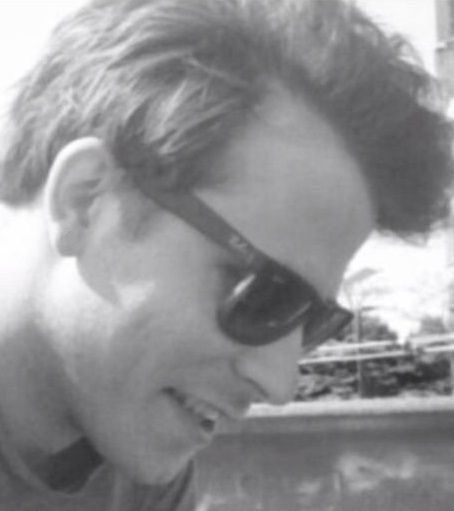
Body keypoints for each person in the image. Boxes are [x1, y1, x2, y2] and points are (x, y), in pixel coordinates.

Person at [0, 0, 452, 509]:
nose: (279, 384)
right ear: (85, 200)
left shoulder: (131, 463)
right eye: (267, 298)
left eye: (313, 323)